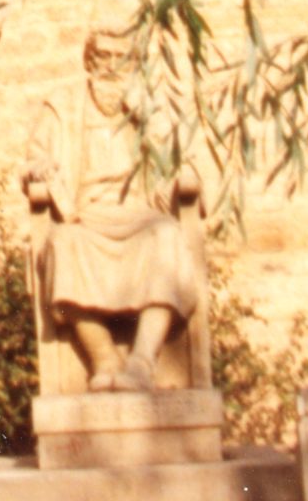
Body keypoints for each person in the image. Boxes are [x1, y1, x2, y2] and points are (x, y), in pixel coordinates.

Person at [22, 29, 211, 393]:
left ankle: (141, 363)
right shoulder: (62, 105)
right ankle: (104, 358)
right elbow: (35, 156)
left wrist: (146, 119)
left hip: (141, 214)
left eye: (120, 58)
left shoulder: (153, 105)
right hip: (87, 214)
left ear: (134, 64)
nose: (110, 65)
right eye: (103, 56)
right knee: (62, 246)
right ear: (89, 61)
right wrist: (39, 166)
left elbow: (184, 157)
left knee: (167, 239)